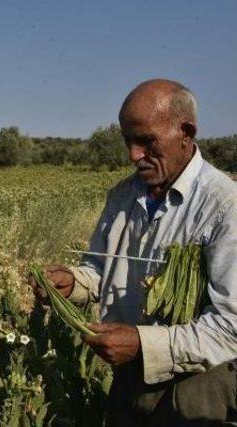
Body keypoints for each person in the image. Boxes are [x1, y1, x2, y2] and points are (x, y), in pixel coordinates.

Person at [31, 79, 237, 425]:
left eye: (147, 141)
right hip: (130, 376)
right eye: (129, 141)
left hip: (200, 390)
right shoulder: (123, 196)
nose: (134, 155)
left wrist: (143, 344)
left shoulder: (224, 206)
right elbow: (100, 269)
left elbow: (230, 328)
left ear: (186, 132)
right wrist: (72, 284)